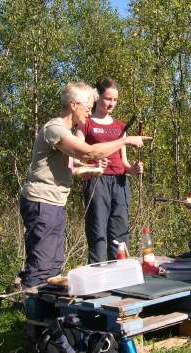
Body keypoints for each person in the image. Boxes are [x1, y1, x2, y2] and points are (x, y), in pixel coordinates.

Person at [18, 82, 151, 288]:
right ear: (73, 105)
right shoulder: (55, 129)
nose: (89, 113)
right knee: (42, 263)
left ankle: (49, 311)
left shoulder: (65, 131)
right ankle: (34, 311)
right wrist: (124, 141)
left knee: (54, 262)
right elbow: (89, 152)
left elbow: (73, 165)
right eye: (87, 108)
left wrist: (90, 167)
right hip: (41, 201)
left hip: (54, 202)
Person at [75, 78, 143, 264]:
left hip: (120, 183)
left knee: (120, 231)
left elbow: (124, 163)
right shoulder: (85, 123)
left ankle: (121, 273)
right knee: (97, 231)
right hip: (96, 181)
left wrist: (134, 170)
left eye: (115, 100)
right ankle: (98, 277)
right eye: (107, 99)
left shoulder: (121, 126)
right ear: (98, 98)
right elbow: (74, 154)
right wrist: (92, 161)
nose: (111, 103)